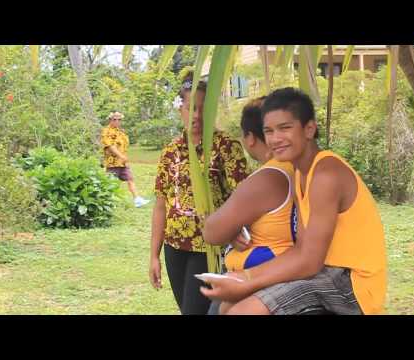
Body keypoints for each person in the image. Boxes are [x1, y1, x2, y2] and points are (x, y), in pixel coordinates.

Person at [200, 87, 387, 315]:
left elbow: (309, 260)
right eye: (268, 131)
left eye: (285, 128)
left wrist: (247, 280)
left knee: (243, 311)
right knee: (228, 306)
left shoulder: (325, 174)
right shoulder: (300, 171)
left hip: (351, 283)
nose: (275, 139)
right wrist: (243, 278)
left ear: (309, 129)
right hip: (326, 272)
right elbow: (302, 249)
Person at [149, 72, 250, 315]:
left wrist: (235, 230)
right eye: (190, 108)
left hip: (209, 247)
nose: (196, 115)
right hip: (174, 246)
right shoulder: (170, 151)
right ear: (180, 108)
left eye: (203, 109)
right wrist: (154, 255)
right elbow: (161, 205)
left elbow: (245, 198)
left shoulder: (226, 147)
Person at [203, 97, 296, 315]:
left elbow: (212, 232)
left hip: (260, 279)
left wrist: (226, 227)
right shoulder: (298, 167)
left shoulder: (267, 178)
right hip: (287, 275)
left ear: (250, 138)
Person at [101, 111, 150, 208]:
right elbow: (110, 146)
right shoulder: (106, 131)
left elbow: (124, 146)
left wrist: (124, 159)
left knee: (130, 179)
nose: (117, 121)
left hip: (122, 163)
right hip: (112, 163)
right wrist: (120, 156)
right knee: (111, 184)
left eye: (119, 119)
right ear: (110, 120)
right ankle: (106, 202)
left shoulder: (120, 131)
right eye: (114, 119)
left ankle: (137, 200)